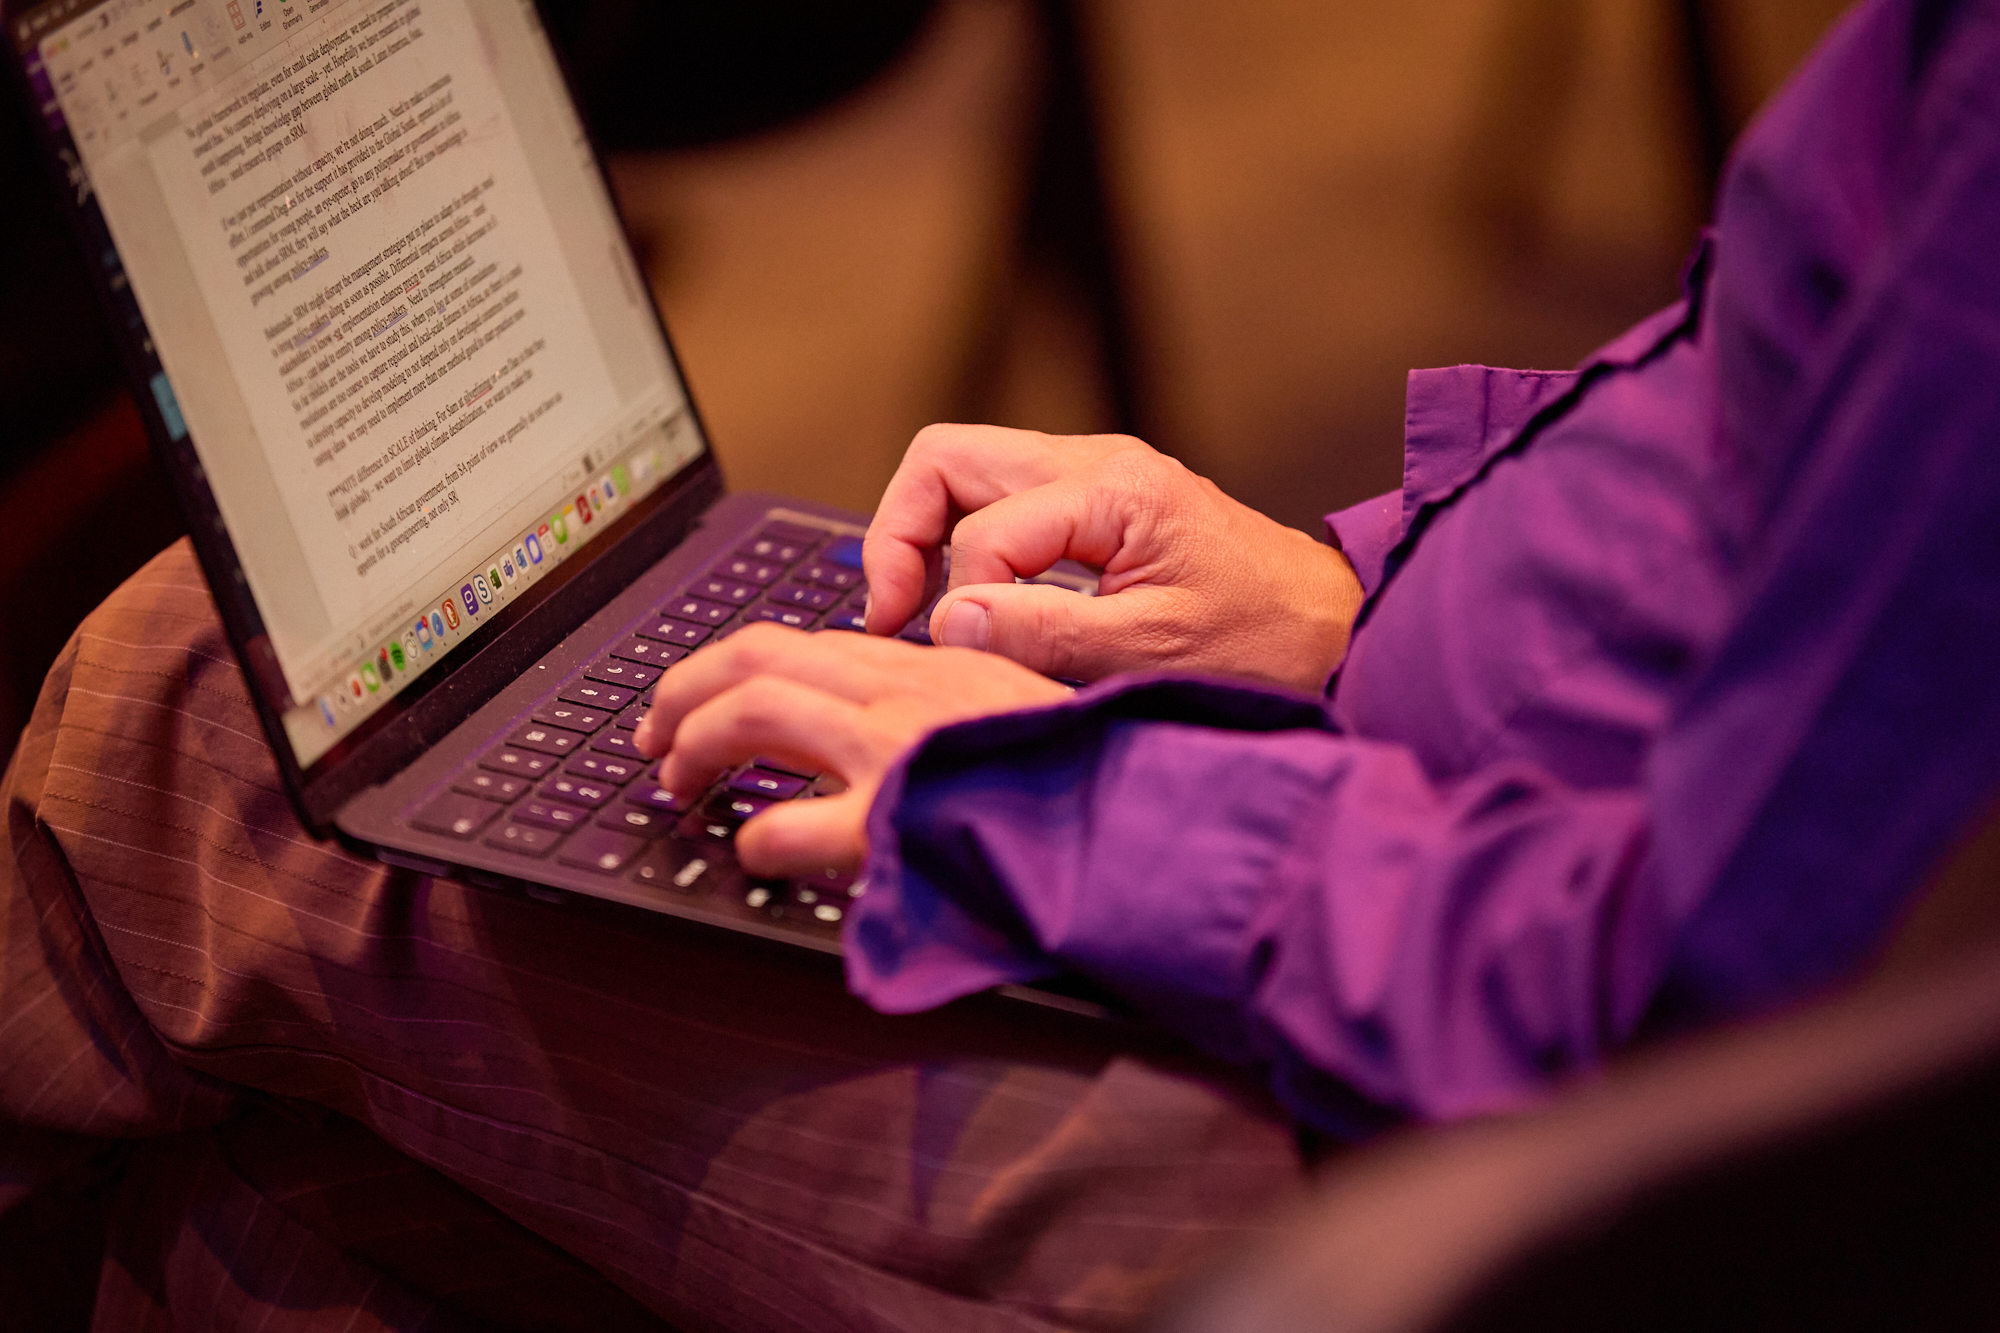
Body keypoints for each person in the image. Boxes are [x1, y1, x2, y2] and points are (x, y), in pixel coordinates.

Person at [4, 0, 1999, 1327]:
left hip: (1460, 1167)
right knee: (279, 1196)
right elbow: (1745, 439)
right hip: (1422, 830)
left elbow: (1706, 994)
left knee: (202, 717)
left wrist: (1071, 800)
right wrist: (1341, 596)